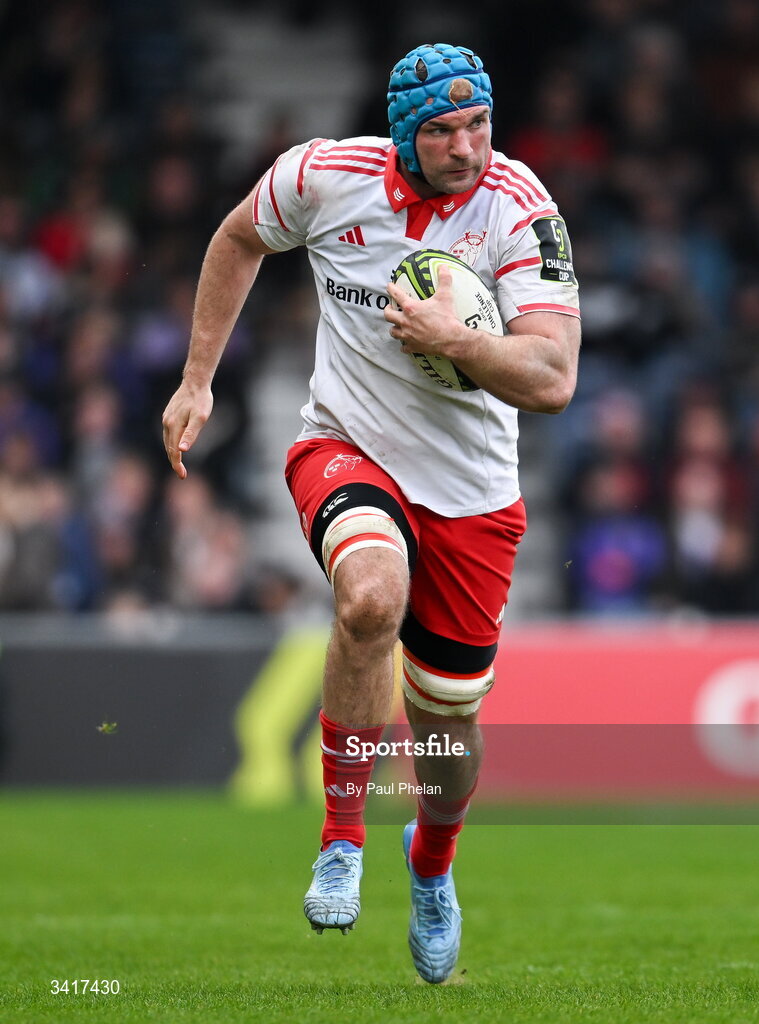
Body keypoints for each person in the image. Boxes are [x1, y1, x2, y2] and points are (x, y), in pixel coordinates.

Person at [162, 42, 580, 984]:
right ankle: (342, 839)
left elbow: (553, 379)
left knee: (447, 726)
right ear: (404, 132)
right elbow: (236, 238)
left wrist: (456, 338)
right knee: (368, 599)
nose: (468, 148)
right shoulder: (319, 177)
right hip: (346, 446)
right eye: (443, 131)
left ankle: (431, 864)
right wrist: (197, 382)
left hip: (474, 496)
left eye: (478, 125)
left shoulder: (522, 209)